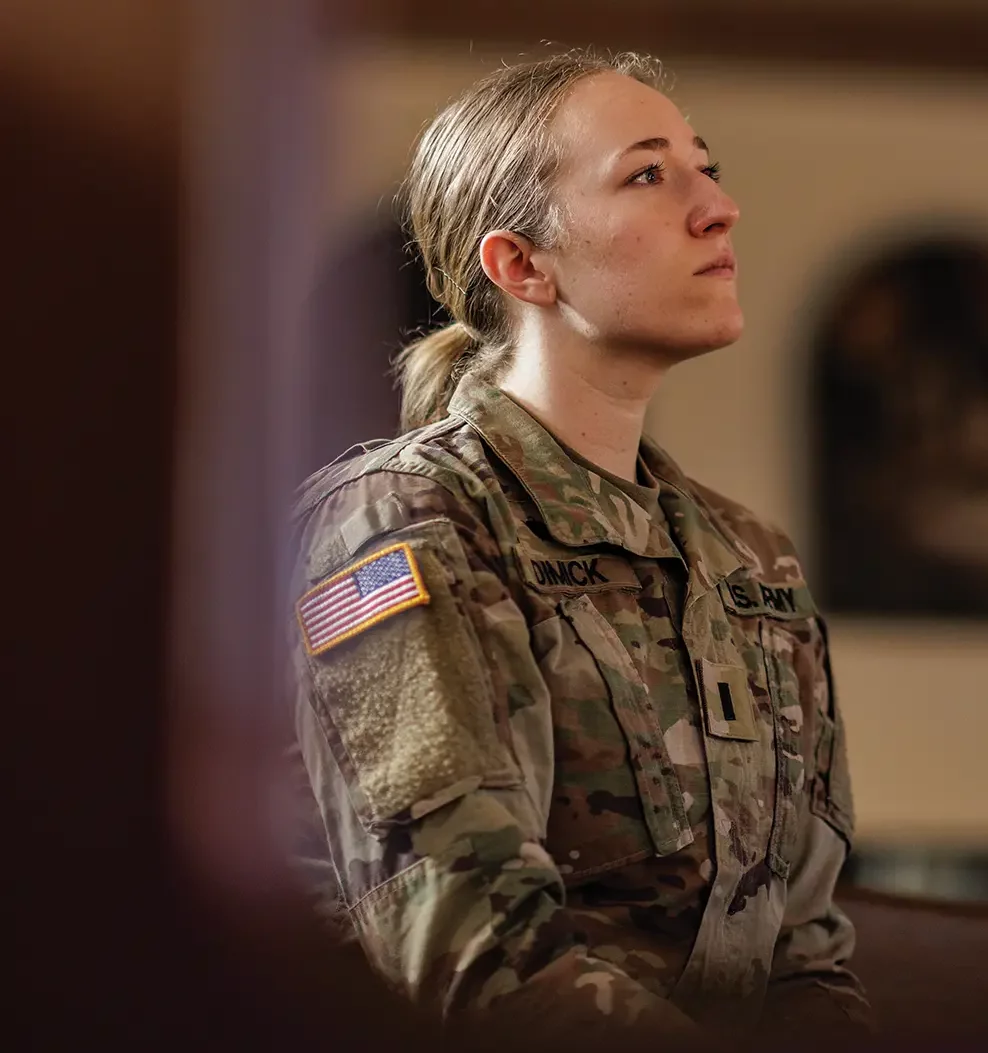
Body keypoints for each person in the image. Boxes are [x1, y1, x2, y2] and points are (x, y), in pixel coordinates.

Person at [288, 49, 870, 1046]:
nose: (717, 207)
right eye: (649, 174)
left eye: (706, 166)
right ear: (522, 266)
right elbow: (466, 942)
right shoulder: (403, 519)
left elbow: (805, 951)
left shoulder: (751, 559)